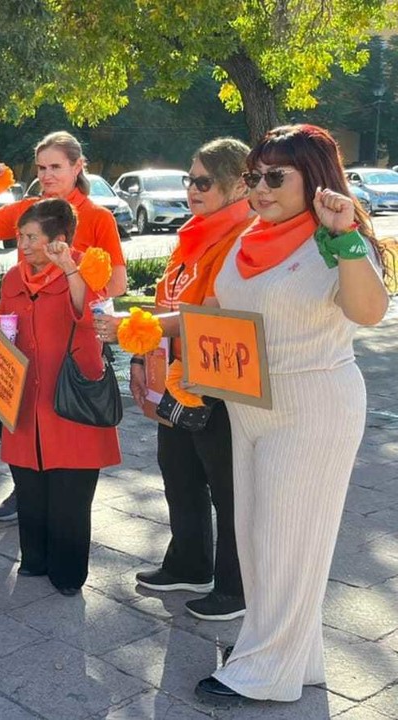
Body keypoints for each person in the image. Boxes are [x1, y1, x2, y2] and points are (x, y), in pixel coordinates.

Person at [196, 125, 388, 704]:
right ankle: (292, 656)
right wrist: (157, 330)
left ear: (316, 177)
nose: (260, 188)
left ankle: (266, 673)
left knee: (284, 540)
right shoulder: (248, 238)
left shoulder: (336, 238)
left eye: (276, 176)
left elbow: (370, 310)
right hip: (247, 403)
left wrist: (348, 237)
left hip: (313, 404)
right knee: (256, 539)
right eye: (254, 177)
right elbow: (216, 311)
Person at [94, 138, 253, 621]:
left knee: (226, 488)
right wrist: (142, 359)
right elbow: (166, 302)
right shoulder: (194, 234)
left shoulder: (243, 237)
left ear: (237, 183)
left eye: (203, 181)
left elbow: (215, 311)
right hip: (175, 376)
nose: (192, 189)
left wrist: (139, 326)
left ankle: (235, 585)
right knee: (178, 474)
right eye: (190, 179)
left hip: (220, 379)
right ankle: (189, 562)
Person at [0, 131, 128, 525]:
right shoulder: (29, 210)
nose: (48, 174)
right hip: (26, 333)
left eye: (57, 166)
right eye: (42, 167)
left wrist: (75, 287)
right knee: (17, 414)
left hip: (72, 331)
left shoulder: (97, 216)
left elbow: (117, 283)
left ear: (77, 167)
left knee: (67, 420)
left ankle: (62, 497)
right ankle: (25, 490)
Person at [0, 198, 121, 595]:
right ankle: (35, 558)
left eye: (32, 237)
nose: (24, 244)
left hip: (71, 398)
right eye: (20, 236)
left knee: (69, 495)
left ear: (57, 240)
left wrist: (70, 270)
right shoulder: (15, 277)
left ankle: (67, 573)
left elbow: (90, 314)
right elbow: (1, 320)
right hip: (24, 399)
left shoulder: (86, 269)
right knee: (29, 485)